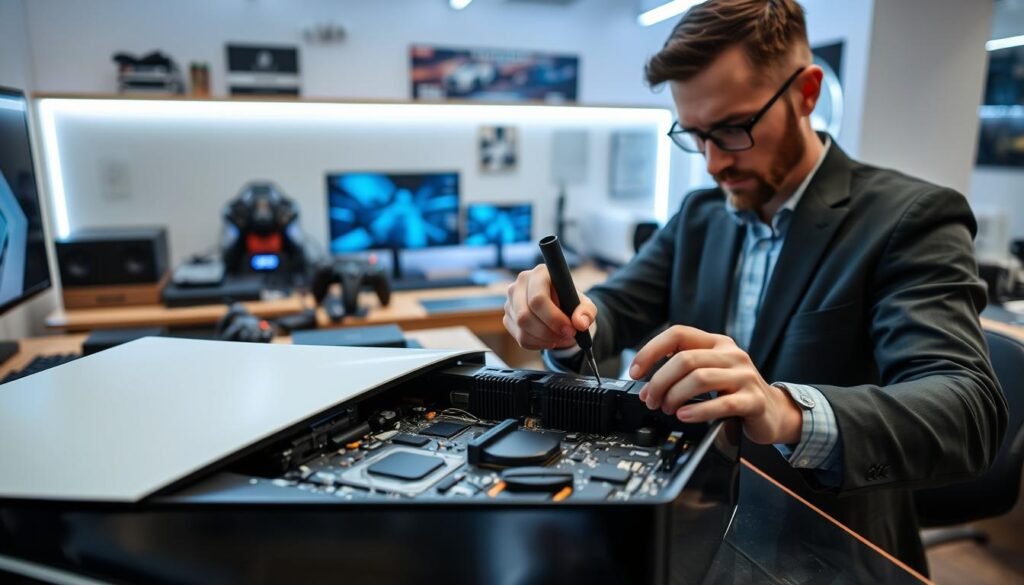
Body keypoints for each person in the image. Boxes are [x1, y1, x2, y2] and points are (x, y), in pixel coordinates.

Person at [502, 0, 1007, 575]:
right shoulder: (701, 216)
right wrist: (564, 322)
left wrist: (784, 408)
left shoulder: (909, 218)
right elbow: (615, 306)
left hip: (829, 541)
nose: (714, 162)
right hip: (697, 511)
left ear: (807, 93)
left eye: (733, 129)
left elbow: (968, 412)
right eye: (695, 136)